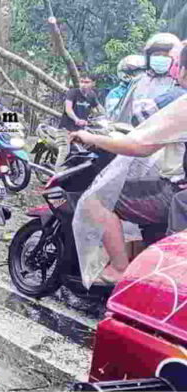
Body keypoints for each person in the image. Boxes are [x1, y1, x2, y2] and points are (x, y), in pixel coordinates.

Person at [69, 45, 187, 284]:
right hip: (141, 145)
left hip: (178, 191)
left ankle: (120, 269)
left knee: (96, 200)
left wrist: (92, 138)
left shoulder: (180, 99)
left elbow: (140, 145)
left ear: (181, 69)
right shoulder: (136, 86)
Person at [113, 33, 181, 126]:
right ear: (148, 57)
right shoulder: (139, 80)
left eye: (166, 55)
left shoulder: (178, 83)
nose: (161, 58)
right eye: (157, 54)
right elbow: (124, 112)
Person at [54, 73, 104, 170]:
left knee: (92, 147)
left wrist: (108, 117)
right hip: (65, 130)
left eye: (87, 82)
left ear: (93, 83)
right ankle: (55, 177)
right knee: (64, 150)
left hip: (81, 131)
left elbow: (99, 108)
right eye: (81, 82)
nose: (83, 84)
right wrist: (76, 119)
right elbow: (68, 109)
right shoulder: (73, 92)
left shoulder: (91, 95)